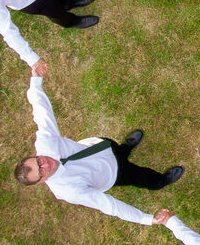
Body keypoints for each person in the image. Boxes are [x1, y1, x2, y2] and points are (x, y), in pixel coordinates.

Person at [14, 74, 183, 225]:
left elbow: (41, 111)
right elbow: (108, 205)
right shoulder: (67, 190)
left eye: (38, 161)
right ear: (42, 181)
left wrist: (35, 81)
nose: (45, 164)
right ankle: (161, 181)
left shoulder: (45, 144)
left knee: (118, 148)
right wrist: (146, 219)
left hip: (101, 146)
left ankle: (125, 148)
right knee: (144, 177)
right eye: (41, 171)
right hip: (114, 172)